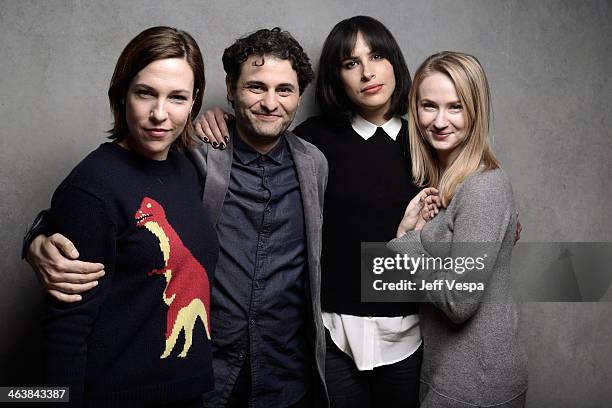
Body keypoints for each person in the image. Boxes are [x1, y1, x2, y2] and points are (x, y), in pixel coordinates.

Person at [24, 27, 329, 408]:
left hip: (280, 376)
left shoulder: (312, 164)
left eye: (284, 89)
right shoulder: (197, 155)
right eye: (255, 87)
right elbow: (97, 202)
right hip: (207, 375)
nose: (270, 102)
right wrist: (38, 237)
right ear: (230, 90)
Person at [197, 16, 427, 408]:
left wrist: (491, 219)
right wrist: (211, 119)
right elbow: (262, 128)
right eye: (350, 62)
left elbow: (466, 191)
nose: (367, 72)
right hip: (329, 336)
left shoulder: (424, 140)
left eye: (376, 56)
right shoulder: (311, 144)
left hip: (403, 333)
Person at [38, 26, 217, 407]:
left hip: (189, 393)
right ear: (122, 94)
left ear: (194, 101)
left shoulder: (188, 168)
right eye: (145, 93)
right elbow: (66, 332)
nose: (159, 114)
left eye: (177, 98)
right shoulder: (93, 186)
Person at [387, 51, 528, 407]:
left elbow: (459, 300)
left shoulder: (483, 186)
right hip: (451, 376)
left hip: (476, 385)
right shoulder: (450, 184)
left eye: (455, 107)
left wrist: (406, 240)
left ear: (475, 111)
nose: (439, 120)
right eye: (428, 105)